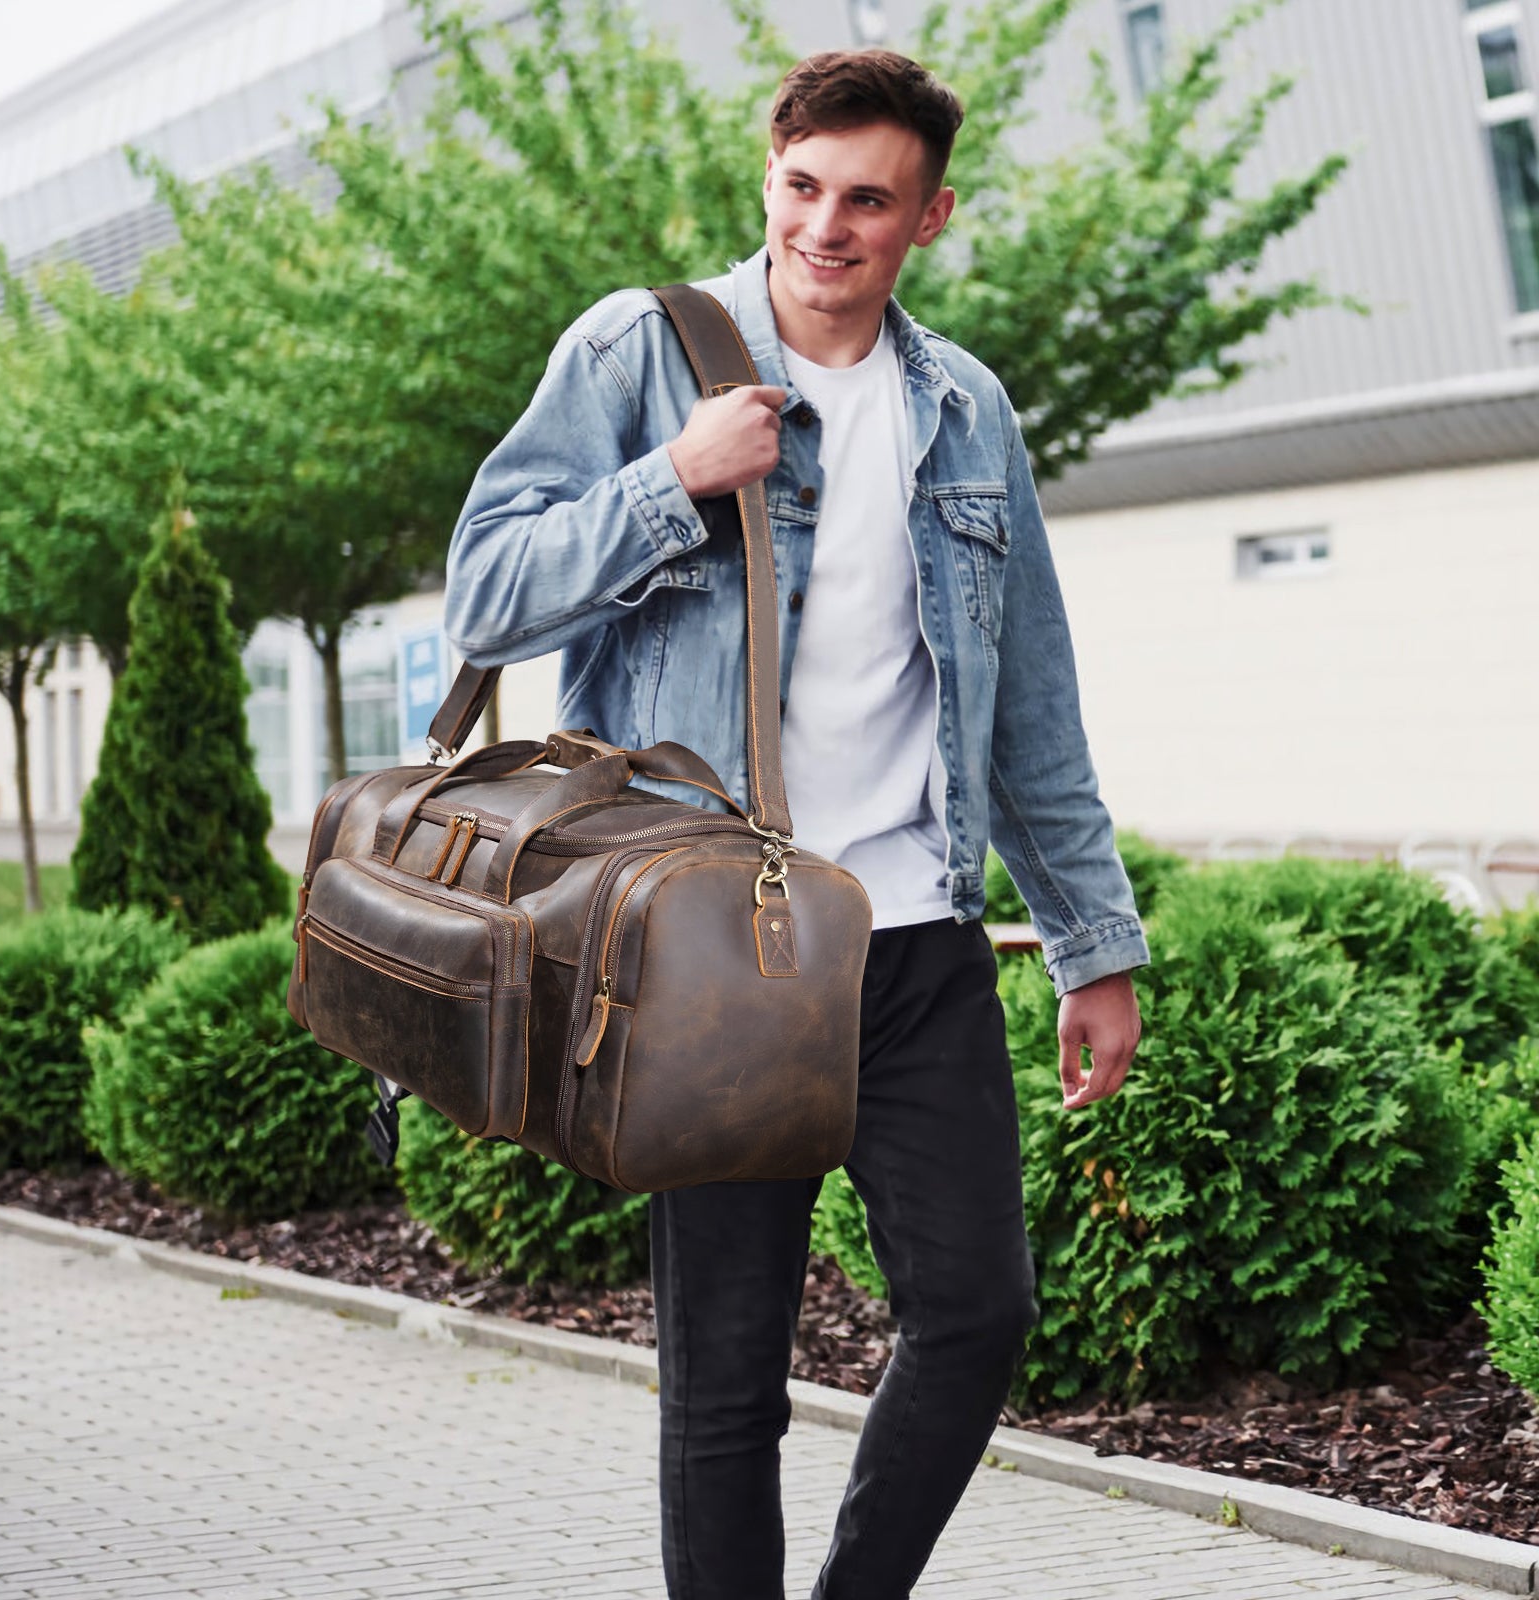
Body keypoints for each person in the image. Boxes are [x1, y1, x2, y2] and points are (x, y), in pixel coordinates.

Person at [444, 47, 1148, 1600]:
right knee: (725, 1381)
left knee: (977, 1315)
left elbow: (1030, 705)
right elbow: (483, 593)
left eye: (868, 201)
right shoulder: (646, 351)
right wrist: (668, 482)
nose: (827, 227)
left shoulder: (965, 410)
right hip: (715, 952)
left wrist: (1095, 948)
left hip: (912, 943)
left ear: (930, 217)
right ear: (770, 178)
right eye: (804, 188)